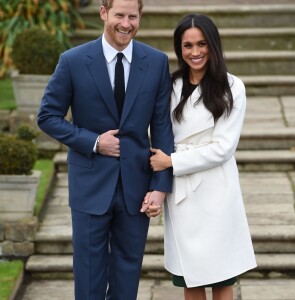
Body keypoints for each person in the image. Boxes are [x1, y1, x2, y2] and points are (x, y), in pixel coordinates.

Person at [37, 0, 173, 299]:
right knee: (88, 276)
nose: (126, 24)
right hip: (89, 185)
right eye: (119, 15)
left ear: (140, 17)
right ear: (103, 13)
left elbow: (162, 127)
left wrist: (160, 187)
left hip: (136, 188)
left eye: (133, 16)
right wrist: (95, 142)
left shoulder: (156, 62)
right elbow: (47, 117)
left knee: (127, 274)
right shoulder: (72, 61)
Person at [141, 14, 257, 300]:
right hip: (183, 194)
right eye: (187, 46)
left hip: (216, 191)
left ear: (213, 45)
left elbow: (223, 148)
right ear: (179, 49)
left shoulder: (232, 87)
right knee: (189, 277)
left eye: (202, 44)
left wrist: (172, 162)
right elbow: (159, 132)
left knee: (221, 276)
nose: (195, 52)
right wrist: (158, 183)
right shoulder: (169, 86)